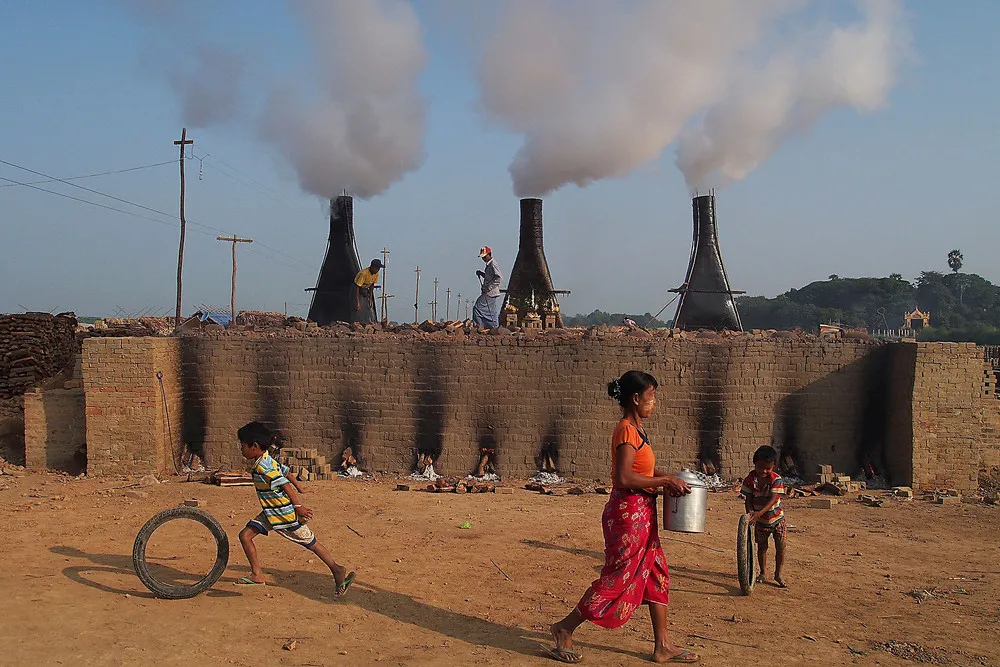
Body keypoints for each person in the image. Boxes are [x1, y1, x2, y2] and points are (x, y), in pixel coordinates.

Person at [546, 371, 700, 664]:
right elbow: (624, 476)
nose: (653, 402)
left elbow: (641, 471)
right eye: (651, 397)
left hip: (642, 513)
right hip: (628, 515)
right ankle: (564, 628)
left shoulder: (639, 430)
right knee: (618, 578)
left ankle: (662, 645)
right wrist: (665, 482)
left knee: (656, 574)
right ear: (635, 398)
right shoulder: (626, 431)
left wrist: (669, 477)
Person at [234, 421, 355, 594]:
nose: (241, 449)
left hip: (284, 515)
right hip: (271, 513)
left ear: (254, 446)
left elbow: (284, 484)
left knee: (310, 542)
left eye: (243, 446)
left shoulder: (263, 467)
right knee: (245, 536)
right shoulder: (266, 458)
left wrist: (298, 506)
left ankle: (337, 569)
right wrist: (300, 487)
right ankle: (257, 575)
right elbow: (287, 473)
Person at [742, 445, 787, 588]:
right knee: (762, 547)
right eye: (761, 468)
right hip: (760, 522)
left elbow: (773, 499)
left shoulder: (776, 479)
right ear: (755, 464)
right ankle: (762, 572)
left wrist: (759, 513)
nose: (764, 471)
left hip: (777, 519)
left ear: (773, 466)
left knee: (781, 547)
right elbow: (748, 498)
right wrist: (750, 513)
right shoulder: (750, 479)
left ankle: (778, 574)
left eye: (768, 468)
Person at [472, 246, 502, 329]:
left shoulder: (493, 264)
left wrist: (488, 288)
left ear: (489, 254)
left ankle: (479, 326)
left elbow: (498, 277)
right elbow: (490, 277)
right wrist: (482, 274)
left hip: (490, 292)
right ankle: (494, 327)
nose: (484, 259)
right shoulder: (489, 265)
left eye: (485, 257)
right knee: (491, 311)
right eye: (482, 257)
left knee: (477, 308)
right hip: (491, 292)